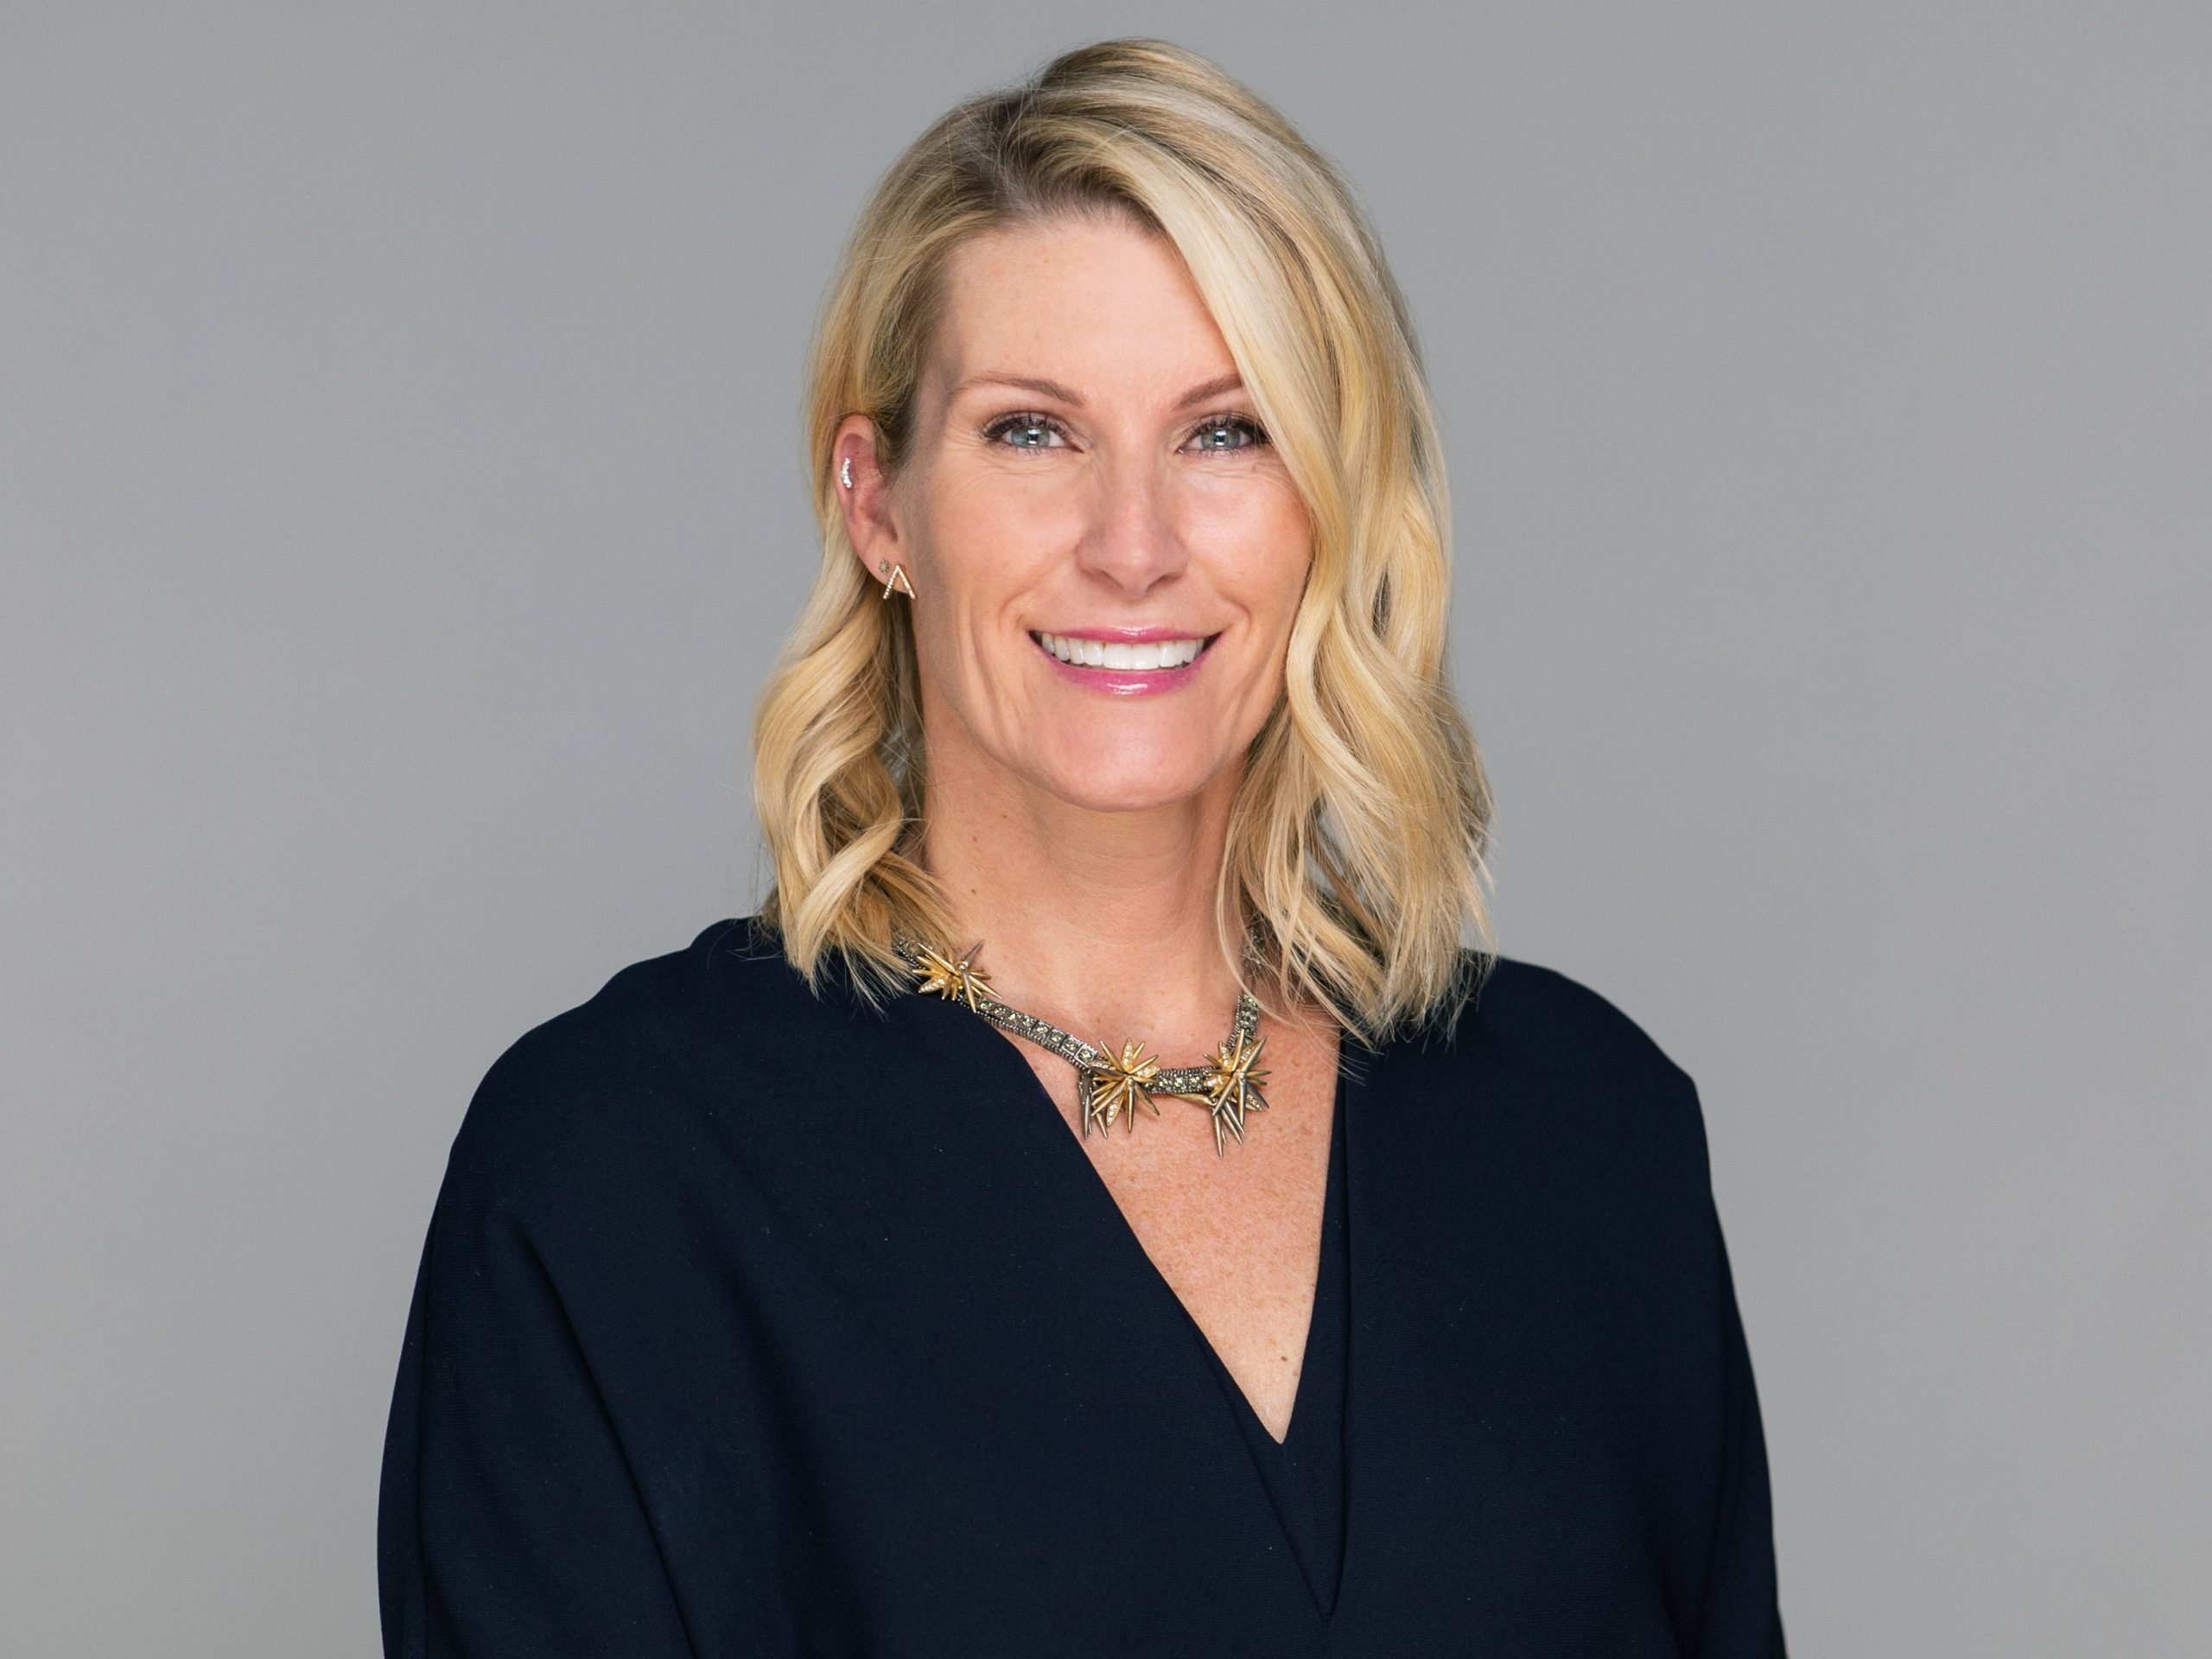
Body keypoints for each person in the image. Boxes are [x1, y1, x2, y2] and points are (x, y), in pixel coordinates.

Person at [377, 36, 1785, 1656]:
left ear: (1332, 499)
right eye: (1033, 432)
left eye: (1227, 432)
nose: (1133, 545)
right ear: (879, 503)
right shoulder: (613, 1176)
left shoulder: (1589, 1135)